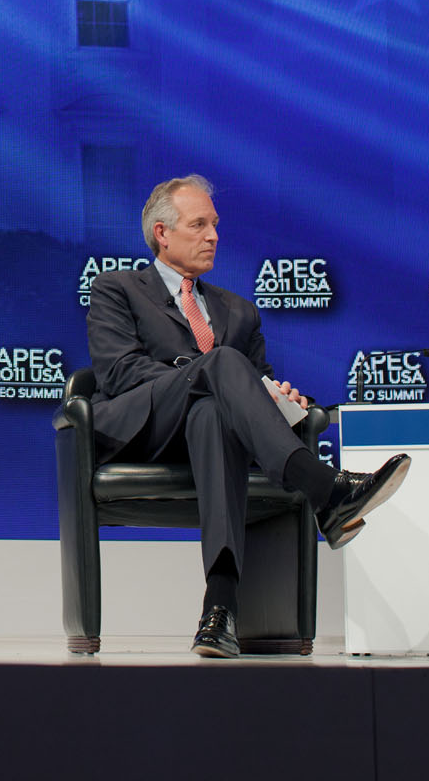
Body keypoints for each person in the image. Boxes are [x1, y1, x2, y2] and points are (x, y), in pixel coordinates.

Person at [87, 174, 410, 658]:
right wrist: (205, 371)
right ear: (162, 233)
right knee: (219, 367)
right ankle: (325, 488)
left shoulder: (238, 312)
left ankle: (219, 611)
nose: (213, 235)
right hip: (146, 427)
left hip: (213, 436)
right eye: (199, 225)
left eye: (214, 225)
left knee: (215, 415)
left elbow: (251, 391)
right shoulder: (117, 289)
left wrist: (279, 400)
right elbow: (120, 372)